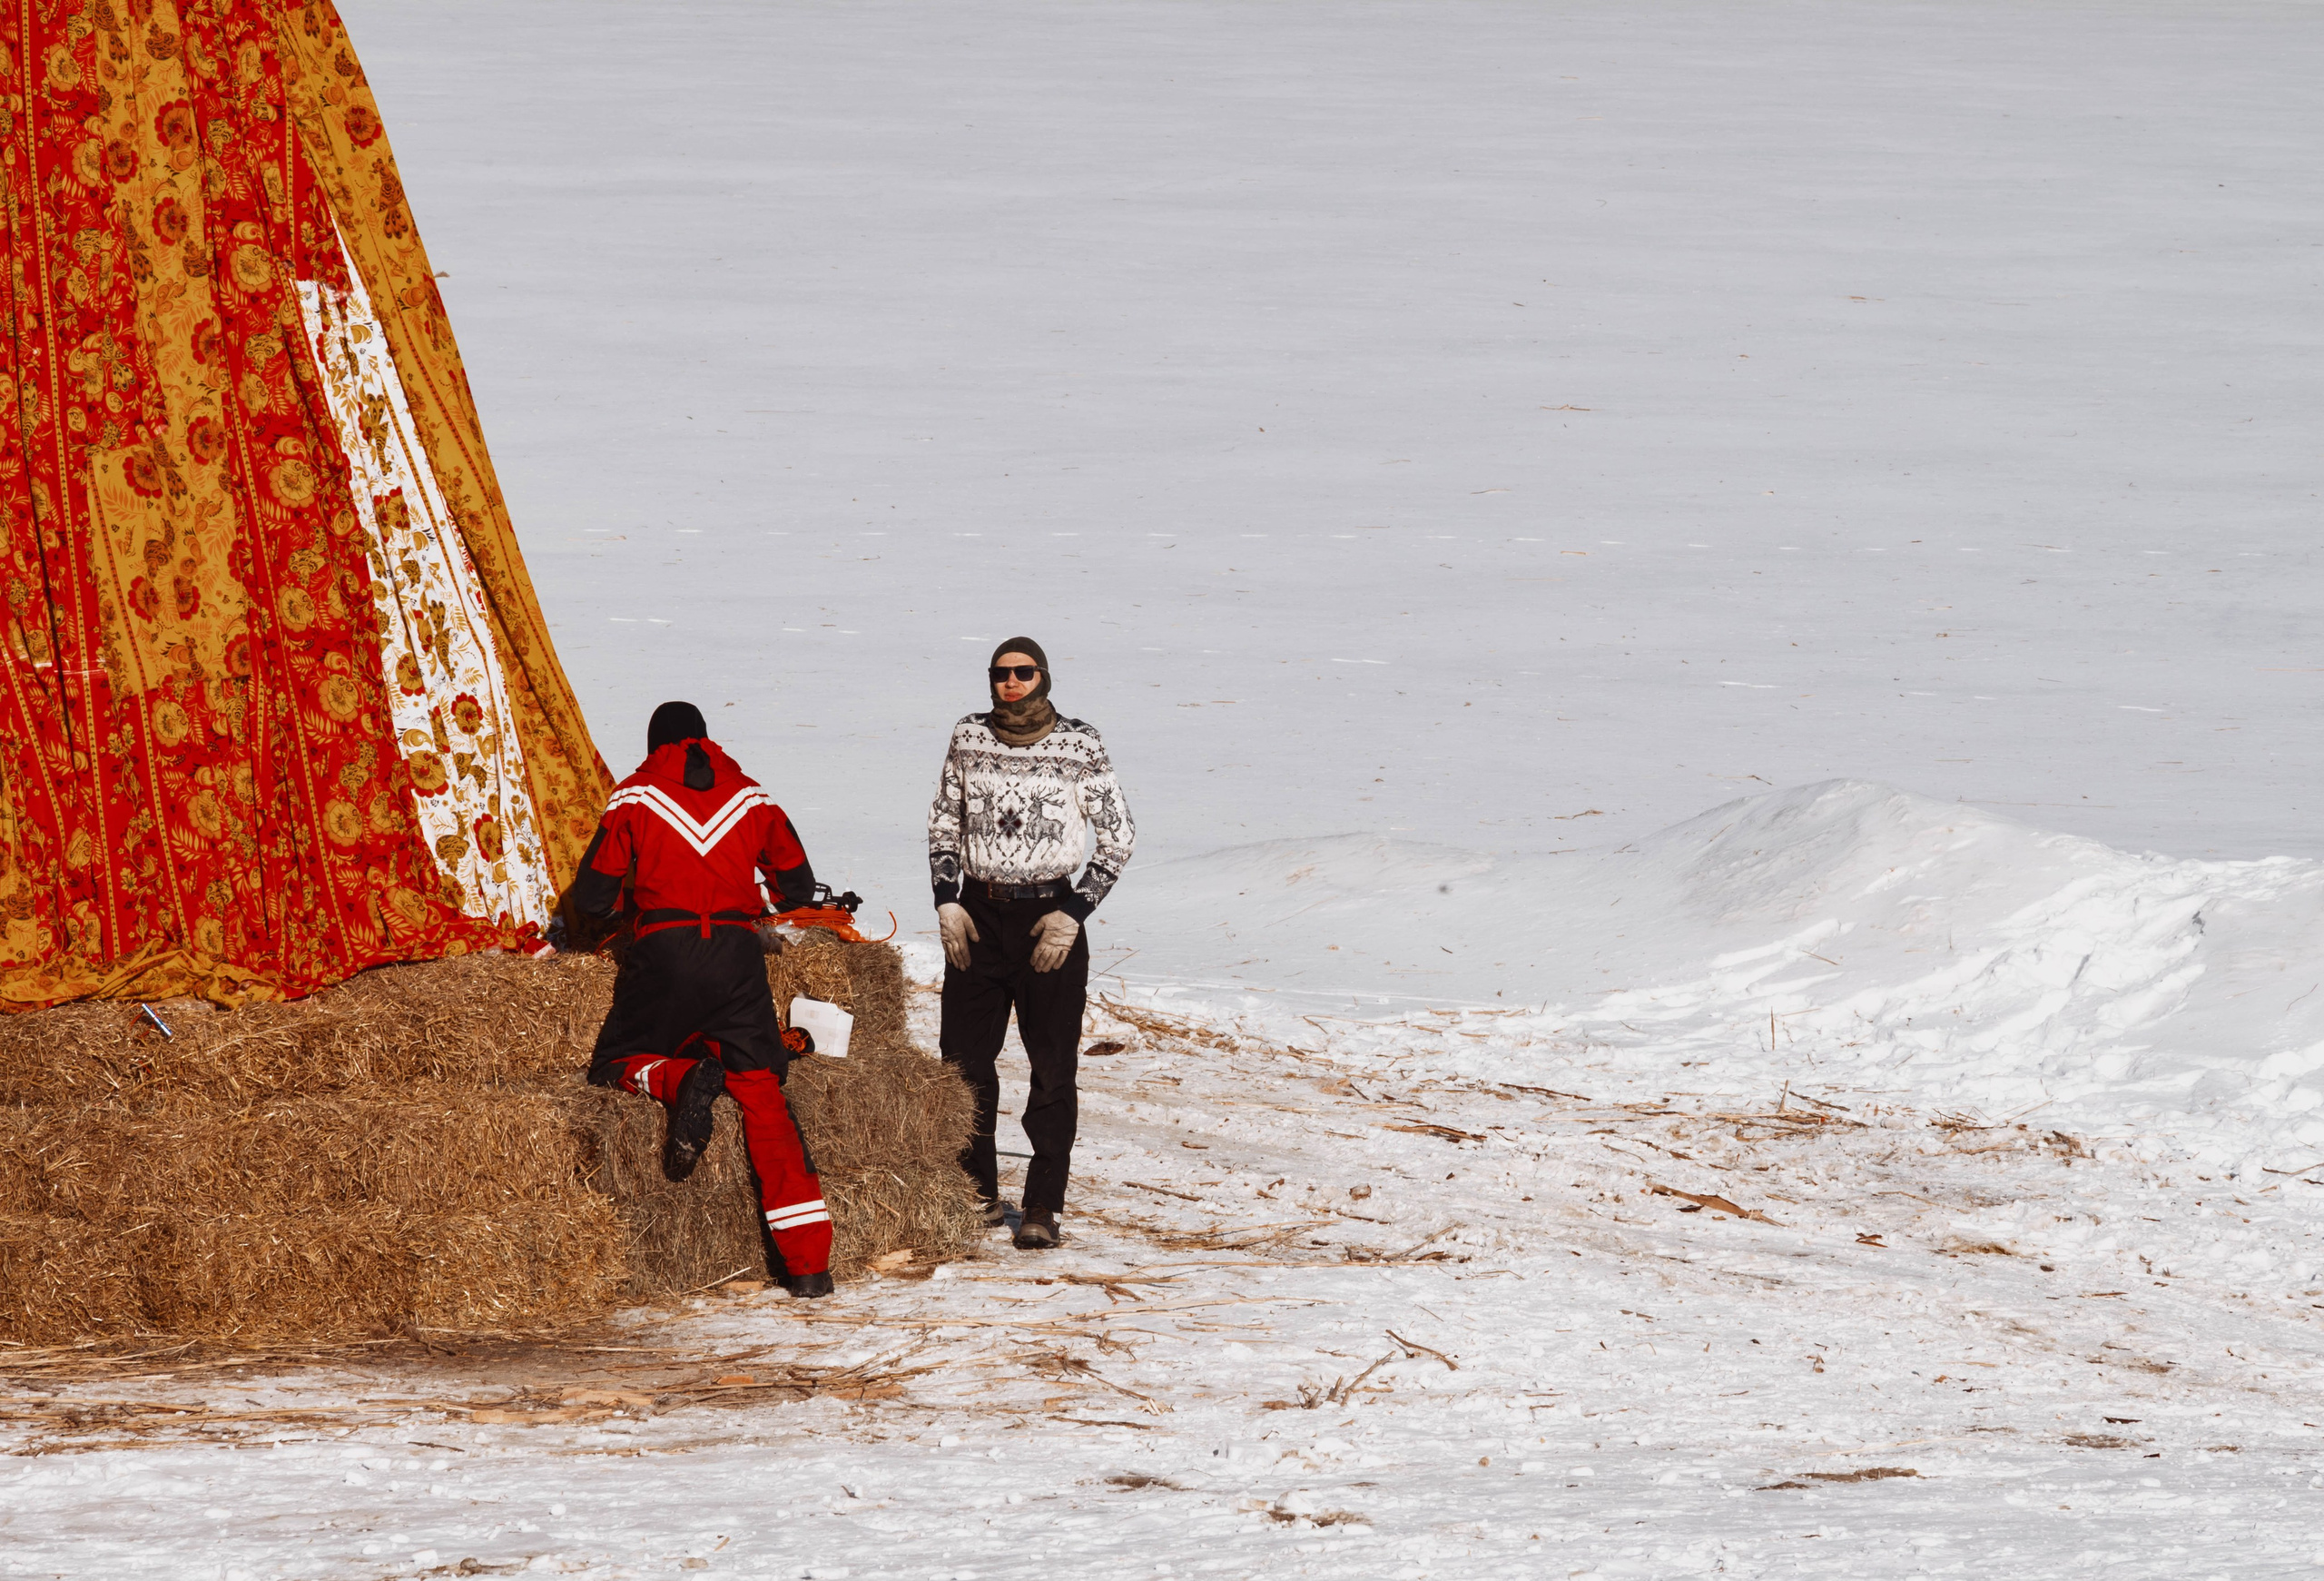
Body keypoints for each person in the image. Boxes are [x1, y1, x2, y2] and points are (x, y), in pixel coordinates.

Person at [575, 701, 836, 1299]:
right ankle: (810, 1268)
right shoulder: (752, 795)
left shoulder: (635, 795)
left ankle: (679, 1078)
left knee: (611, 1062)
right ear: (707, 741)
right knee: (764, 1093)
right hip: (737, 961)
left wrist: (634, 911)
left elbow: (592, 897)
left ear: (653, 746)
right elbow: (796, 886)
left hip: (663, 953)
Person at [928, 638, 1136, 1250]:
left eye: (1023, 672)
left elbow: (1119, 837)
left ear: (1043, 675)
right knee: (962, 1062)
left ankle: (1044, 1204)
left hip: (1050, 916)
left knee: (1051, 1066)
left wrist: (1074, 911)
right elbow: (943, 821)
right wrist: (945, 899)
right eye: (1000, 674)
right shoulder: (969, 736)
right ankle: (977, 1193)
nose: (1011, 682)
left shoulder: (1081, 743)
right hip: (978, 914)